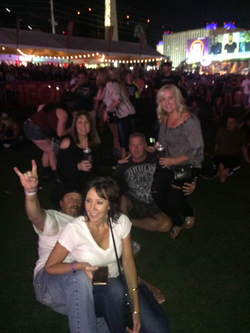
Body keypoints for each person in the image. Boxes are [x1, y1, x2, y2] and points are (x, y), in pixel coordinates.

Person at [45, 176, 170, 333]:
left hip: (120, 279)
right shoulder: (74, 230)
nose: (91, 208)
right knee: (115, 290)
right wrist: (78, 266)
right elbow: (50, 267)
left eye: (99, 202)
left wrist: (136, 310)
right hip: (94, 289)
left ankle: (136, 300)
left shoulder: (121, 222)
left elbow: (128, 263)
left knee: (158, 330)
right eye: (88, 200)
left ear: (110, 204)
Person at [116, 132, 196, 235]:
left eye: (139, 145)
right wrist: (117, 165)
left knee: (166, 225)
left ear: (145, 146)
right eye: (132, 145)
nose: (136, 149)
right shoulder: (123, 165)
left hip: (156, 203)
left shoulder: (157, 158)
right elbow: (114, 185)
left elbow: (178, 169)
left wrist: (192, 183)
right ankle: (124, 232)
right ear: (129, 147)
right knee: (122, 200)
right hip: (134, 202)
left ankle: (129, 222)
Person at [152, 84, 204, 239]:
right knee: (156, 193)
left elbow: (197, 149)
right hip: (167, 162)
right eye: (163, 99)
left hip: (186, 164)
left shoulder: (189, 120)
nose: (167, 102)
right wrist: (157, 146)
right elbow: (162, 141)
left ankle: (189, 212)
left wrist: (174, 160)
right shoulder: (164, 118)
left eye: (170, 98)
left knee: (174, 200)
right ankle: (177, 221)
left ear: (177, 99)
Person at [23, 101, 72, 182]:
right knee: (51, 151)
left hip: (29, 124)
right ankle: (58, 176)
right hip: (35, 129)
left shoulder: (50, 107)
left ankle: (46, 174)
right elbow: (60, 133)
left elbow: (40, 107)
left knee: (47, 150)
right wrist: (71, 129)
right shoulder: (63, 113)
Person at [57, 110, 101, 191]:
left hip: (92, 184)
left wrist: (118, 161)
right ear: (75, 125)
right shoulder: (67, 143)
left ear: (91, 125)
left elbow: (100, 160)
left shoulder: (94, 143)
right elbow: (60, 170)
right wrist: (78, 166)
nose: (83, 125)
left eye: (86, 122)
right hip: (72, 186)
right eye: (80, 122)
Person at [213, 116, 250, 182]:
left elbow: (244, 147)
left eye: (231, 123)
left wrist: (247, 159)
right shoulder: (222, 131)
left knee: (233, 162)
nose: (228, 125)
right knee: (218, 160)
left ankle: (221, 170)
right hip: (221, 155)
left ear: (236, 124)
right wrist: (214, 154)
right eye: (228, 123)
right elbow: (217, 144)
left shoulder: (241, 133)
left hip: (233, 156)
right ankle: (224, 171)